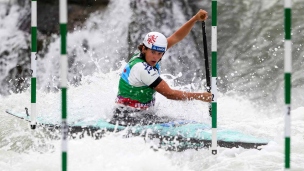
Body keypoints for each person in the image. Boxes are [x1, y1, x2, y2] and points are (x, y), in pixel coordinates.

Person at [110, 9, 212, 126]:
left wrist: (195, 19)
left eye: (160, 54)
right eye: (153, 52)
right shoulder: (142, 68)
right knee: (184, 125)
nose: (156, 57)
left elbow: (176, 37)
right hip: (127, 117)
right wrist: (199, 96)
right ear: (144, 49)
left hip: (141, 115)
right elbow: (170, 94)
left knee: (183, 122)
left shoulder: (150, 53)